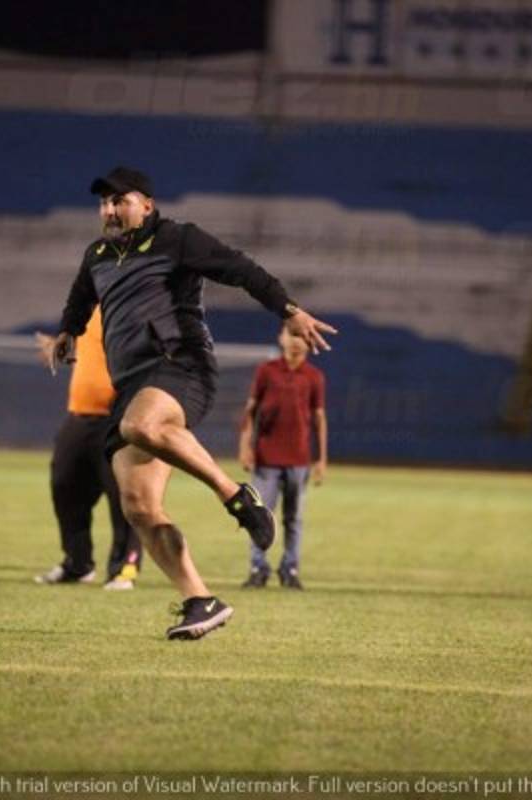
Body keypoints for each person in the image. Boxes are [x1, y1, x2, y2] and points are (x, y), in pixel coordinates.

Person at [47, 166, 337, 640]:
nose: (110, 210)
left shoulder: (176, 239)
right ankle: (201, 601)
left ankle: (237, 495)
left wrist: (288, 308)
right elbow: (80, 299)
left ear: (146, 204)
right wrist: (67, 332)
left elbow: (241, 269)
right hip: (132, 386)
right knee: (139, 507)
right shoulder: (97, 255)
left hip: (180, 366)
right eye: (104, 203)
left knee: (141, 427)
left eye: (120, 201)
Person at [34, 305, 143, 590]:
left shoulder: (135, 306)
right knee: (65, 486)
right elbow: (91, 353)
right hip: (80, 415)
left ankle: (124, 568)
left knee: (123, 497)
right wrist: (61, 350)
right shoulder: (89, 309)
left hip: (118, 418)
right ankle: (78, 563)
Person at [238, 322, 328, 590]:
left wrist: (321, 458)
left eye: (302, 336)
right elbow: (250, 410)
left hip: (299, 460)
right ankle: (258, 568)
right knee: (259, 516)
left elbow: (319, 418)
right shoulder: (266, 371)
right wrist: (245, 446)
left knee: (293, 519)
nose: (296, 341)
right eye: (292, 334)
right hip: (266, 459)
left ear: (309, 342)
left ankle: (290, 568)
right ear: (281, 337)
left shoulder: (314, 376)